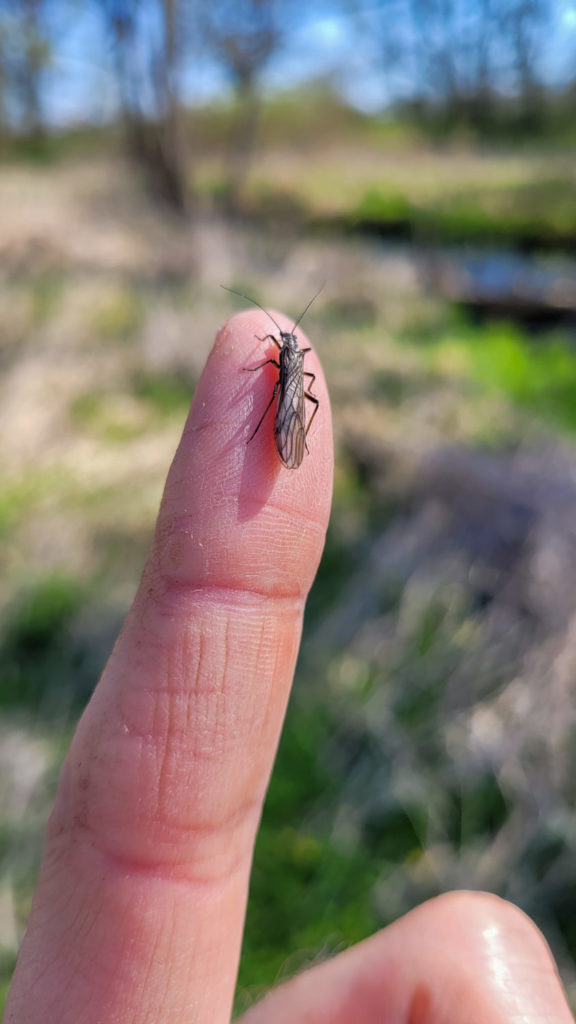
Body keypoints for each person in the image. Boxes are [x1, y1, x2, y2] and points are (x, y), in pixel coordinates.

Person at [4, 311, 572, 1023]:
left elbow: (281, 388)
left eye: (286, 349)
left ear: (288, 355)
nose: (282, 352)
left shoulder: (286, 372)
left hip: (285, 423)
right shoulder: (283, 365)